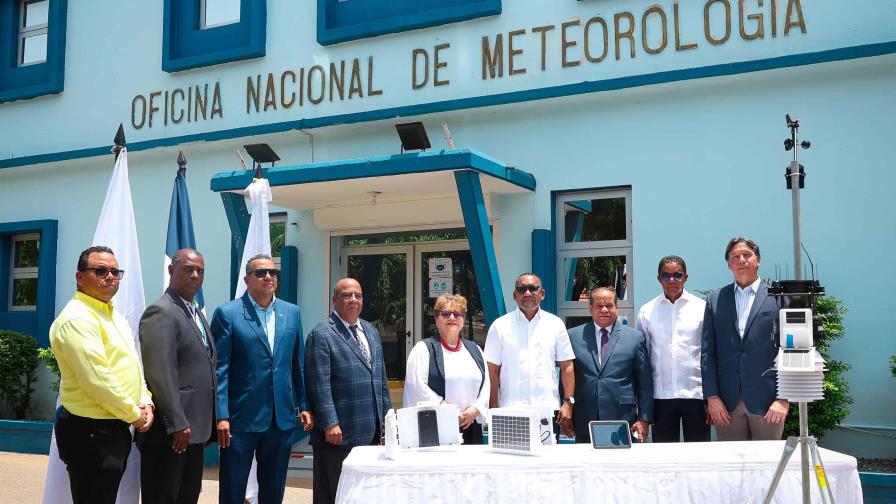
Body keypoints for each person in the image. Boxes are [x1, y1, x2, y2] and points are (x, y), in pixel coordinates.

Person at [49, 246, 154, 504]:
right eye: (100, 270)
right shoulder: (77, 319)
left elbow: (133, 364)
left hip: (114, 426)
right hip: (90, 432)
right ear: (79, 276)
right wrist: (135, 415)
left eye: (115, 271)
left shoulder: (114, 316)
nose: (110, 276)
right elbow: (98, 380)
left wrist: (145, 399)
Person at [210, 254, 313, 504]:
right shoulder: (228, 313)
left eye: (272, 272)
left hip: (280, 419)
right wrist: (221, 415)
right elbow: (219, 368)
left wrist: (305, 404)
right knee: (233, 490)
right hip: (240, 419)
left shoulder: (291, 312)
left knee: (273, 489)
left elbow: (297, 363)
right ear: (247, 279)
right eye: (260, 272)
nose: (268, 276)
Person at [137, 249, 215, 503]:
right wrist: (177, 422)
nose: (195, 275)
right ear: (171, 270)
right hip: (170, 434)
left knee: (187, 496)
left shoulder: (194, 312)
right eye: (188, 269)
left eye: (200, 271)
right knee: (164, 497)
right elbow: (160, 373)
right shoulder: (161, 311)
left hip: (193, 431)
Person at [305, 278, 392, 504]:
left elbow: (381, 381)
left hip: (372, 434)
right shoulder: (321, 334)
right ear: (334, 300)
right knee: (334, 494)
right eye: (346, 295)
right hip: (338, 436)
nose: (353, 299)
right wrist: (329, 423)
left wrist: (388, 422)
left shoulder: (371, 332)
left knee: (366, 494)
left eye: (358, 295)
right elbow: (318, 384)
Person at [701, 237, 789, 441]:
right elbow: (708, 353)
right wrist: (712, 398)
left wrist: (784, 398)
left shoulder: (779, 297)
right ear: (729, 264)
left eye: (747, 255)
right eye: (735, 256)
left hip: (768, 401)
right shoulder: (715, 299)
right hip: (726, 403)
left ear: (758, 260)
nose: (741, 260)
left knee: (767, 465)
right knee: (732, 465)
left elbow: (791, 350)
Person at [483, 273, 575, 435]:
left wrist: (568, 403)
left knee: (548, 459)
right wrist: (493, 408)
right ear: (514, 295)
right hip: (510, 411)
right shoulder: (500, 326)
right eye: (521, 289)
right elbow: (492, 371)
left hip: (547, 410)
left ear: (542, 294)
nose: (527, 293)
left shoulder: (555, 324)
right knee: (512, 459)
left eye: (533, 288)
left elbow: (567, 366)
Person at [637, 255, 710, 443]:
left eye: (677, 275)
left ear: (685, 277)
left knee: (698, 453)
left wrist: (712, 397)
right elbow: (642, 357)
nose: (672, 280)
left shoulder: (702, 308)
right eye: (666, 275)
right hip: (661, 396)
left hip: (696, 393)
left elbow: (710, 354)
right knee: (664, 455)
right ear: (659, 278)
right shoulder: (646, 311)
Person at [568, 287, 653, 443]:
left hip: (622, 418)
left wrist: (644, 419)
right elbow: (566, 379)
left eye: (609, 305)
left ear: (617, 307)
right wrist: (567, 409)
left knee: (621, 465)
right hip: (584, 417)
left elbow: (645, 384)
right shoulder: (573, 336)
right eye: (599, 306)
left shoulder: (634, 338)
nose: (605, 310)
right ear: (590, 308)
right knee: (586, 465)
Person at [404, 294, 490, 445]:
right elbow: (417, 386)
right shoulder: (423, 349)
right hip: (436, 426)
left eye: (457, 314)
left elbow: (486, 385)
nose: (452, 317)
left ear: (463, 320)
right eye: (445, 314)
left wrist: (476, 409)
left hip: (471, 424)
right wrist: (449, 412)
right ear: (437, 320)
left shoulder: (475, 349)